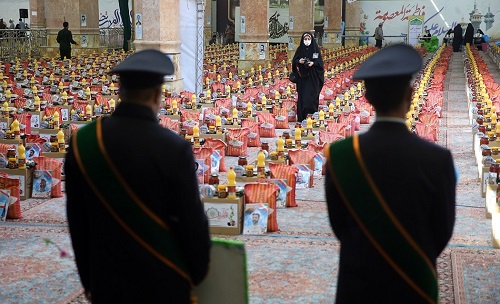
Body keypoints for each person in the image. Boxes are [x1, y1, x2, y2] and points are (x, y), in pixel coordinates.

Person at [65, 49, 211, 303]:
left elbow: (78, 222)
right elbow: (192, 223)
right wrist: (197, 274)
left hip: (106, 279)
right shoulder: (173, 148)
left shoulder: (83, 141)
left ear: (119, 92)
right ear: (158, 94)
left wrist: (89, 279)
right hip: (162, 278)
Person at [325, 44, 456, 303]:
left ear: (367, 97)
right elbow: (442, 231)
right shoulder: (437, 160)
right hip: (413, 285)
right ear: (410, 94)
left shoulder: (341, 155)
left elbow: (339, 225)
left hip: (358, 284)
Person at [291, 32, 324, 121]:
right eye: (305, 39)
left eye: (308, 39)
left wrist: (313, 63)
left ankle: (312, 117)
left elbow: (320, 64)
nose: (307, 41)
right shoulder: (300, 50)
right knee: (303, 98)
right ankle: (302, 118)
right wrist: (299, 61)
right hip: (303, 79)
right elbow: (294, 62)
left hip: (313, 79)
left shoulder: (315, 50)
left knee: (312, 97)